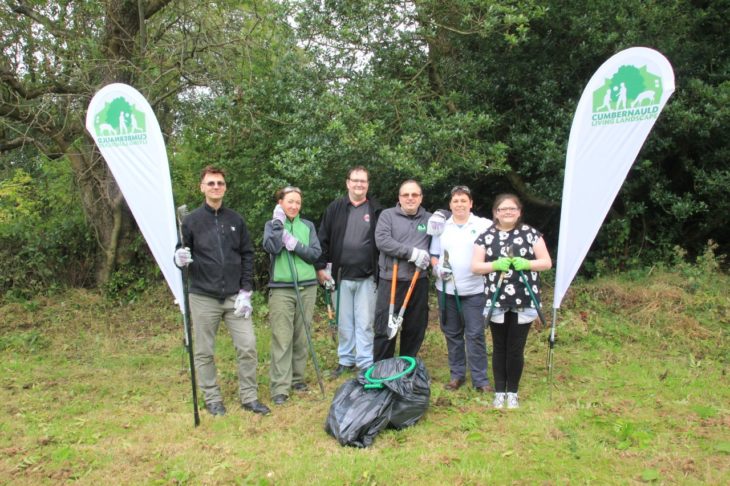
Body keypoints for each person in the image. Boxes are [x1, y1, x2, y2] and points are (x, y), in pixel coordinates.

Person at [174, 166, 270, 416]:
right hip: (203, 296)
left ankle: (249, 397)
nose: (216, 187)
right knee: (204, 350)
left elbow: (248, 254)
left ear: (225, 187)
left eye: (220, 183)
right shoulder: (190, 221)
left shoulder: (235, 220)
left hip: (234, 297)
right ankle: (212, 398)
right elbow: (180, 253)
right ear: (202, 187)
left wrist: (246, 290)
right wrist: (179, 258)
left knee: (248, 346)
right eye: (211, 183)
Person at [471, 194, 552, 409]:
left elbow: (546, 263)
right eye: (503, 209)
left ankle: (512, 392)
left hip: (523, 298)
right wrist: (495, 265)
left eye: (512, 209)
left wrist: (527, 263)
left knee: (516, 348)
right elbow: (476, 267)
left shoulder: (531, 234)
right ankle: (499, 392)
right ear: (495, 213)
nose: (508, 212)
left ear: (519, 212)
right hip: (497, 299)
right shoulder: (486, 236)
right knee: (499, 347)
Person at [316, 166, 382, 377]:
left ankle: (364, 362)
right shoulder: (335, 208)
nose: (359, 184)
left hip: (368, 276)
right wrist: (319, 267)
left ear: (367, 184)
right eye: (355, 180)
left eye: (363, 181)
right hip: (340, 276)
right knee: (344, 322)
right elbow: (322, 239)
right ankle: (345, 360)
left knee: (365, 322)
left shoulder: (377, 210)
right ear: (347, 183)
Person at [428, 186, 493, 393]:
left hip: (474, 290)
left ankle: (480, 380)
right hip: (446, 290)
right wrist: (437, 269)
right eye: (455, 201)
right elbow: (434, 254)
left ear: (471, 203)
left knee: (475, 335)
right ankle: (456, 375)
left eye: (463, 200)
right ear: (450, 204)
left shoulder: (483, 225)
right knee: (452, 333)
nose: (459, 204)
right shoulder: (441, 226)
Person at [263, 186, 322, 405]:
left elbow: (315, 254)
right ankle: (280, 386)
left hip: (307, 286)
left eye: (298, 202)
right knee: (282, 336)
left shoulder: (307, 226)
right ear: (280, 203)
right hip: (281, 288)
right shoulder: (271, 225)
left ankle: (298, 379)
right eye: (290, 201)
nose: (294, 206)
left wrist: (295, 244)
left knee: (302, 334)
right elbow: (271, 247)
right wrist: (279, 229)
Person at [372, 180, 432, 361]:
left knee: (415, 326)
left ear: (421, 198)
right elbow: (382, 241)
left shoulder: (429, 219)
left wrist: (443, 214)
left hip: (418, 280)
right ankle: (382, 368)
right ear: (399, 197)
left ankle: (406, 366)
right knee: (385, 325)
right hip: (392, 279)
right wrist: (411, 253)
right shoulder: (387, 215)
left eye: (415, 195)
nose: (410, 198)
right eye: (406, 195)